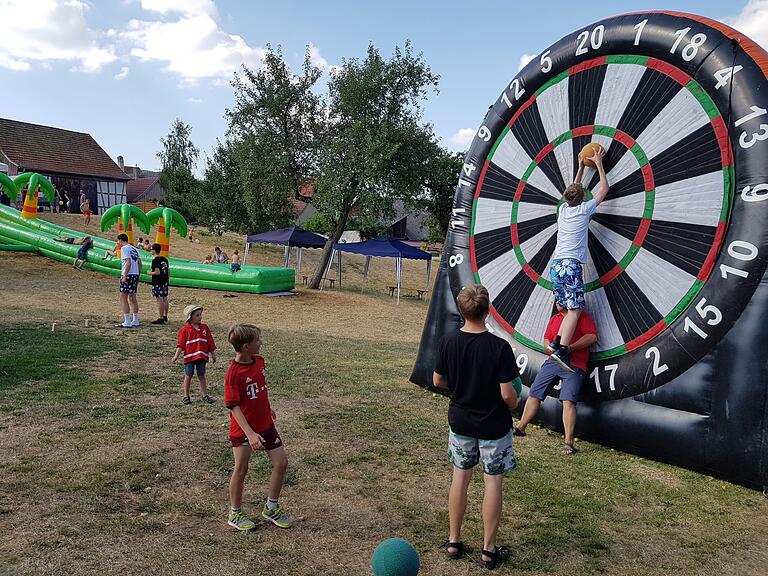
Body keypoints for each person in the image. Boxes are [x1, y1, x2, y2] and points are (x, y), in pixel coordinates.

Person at [433, 284, 521, 570]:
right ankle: (488, 549)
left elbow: (438, 380)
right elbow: (508, 395)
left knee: (460, 477)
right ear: (488, 310)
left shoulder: (448, 342)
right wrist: (514, 403)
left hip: (460, 422)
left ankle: (454, 540)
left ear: (462, 310)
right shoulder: (500, 348)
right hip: (494, 426)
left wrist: (459, 387)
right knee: (492, 482)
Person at [224, 324, 293, 531]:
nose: (261, 343)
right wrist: (250, 434)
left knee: (281, 463)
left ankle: (271, 507)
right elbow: (234, 407)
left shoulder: (260, 362)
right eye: (257, 340)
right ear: (246, 347)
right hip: (244, 430)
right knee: (241, 469)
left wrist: (268, 409)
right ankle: (235, 513)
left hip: (265, 425)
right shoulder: (233, 373)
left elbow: (261, 389)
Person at [547, 148, 609, 372]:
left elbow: (572, 189)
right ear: (583, 198)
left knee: (564, 306)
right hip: (571, 265)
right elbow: (604, 189)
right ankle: (562, 350)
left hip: (556, 265)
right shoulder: (585, 210)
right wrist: (599, 164)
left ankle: (556, 343)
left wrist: (581, 167)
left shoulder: (563, 210)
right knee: (574, 310)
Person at [514, 300, 597, 455]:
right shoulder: (555, 319)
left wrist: (570, 348)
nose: (558, 301)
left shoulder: (582, 317)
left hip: (575, 363)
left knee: (568, 401)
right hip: (553, 361)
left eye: (561, 298)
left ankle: (568, 443)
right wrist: (550, 349)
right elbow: (547, 339)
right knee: (535, 393)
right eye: (556, 298)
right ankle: (521, 427)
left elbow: (592, 337)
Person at [172, 305, 216, 405]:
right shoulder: (184, 330)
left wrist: (213, 354)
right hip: (189, 357)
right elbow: (180, 345)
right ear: (190, 317)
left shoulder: (204, 328)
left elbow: (210, 342)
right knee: (188, 375)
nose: (200, 317)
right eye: (197, 315)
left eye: (200, 315)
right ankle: (186, 396)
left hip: (202, 356)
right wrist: (176, 356)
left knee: (202, 375)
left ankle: (205, 395)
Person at [115, 233, 142, 328]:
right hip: (135, 274)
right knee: (133, 297)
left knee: (123, 297)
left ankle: (127, 321)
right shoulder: (135, 249)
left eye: (118, 241)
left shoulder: (124, 248)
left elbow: (128, 262)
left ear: (121, 240)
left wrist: (124, 276)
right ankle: (135, 319)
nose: (118, 243)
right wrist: (138, 274)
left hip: (128, 274)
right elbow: (139, 263)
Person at [148, 243, 169, 324]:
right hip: (165, 281)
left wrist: (149, 273)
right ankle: (165, 315)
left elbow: (157, 272)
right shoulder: (164, 259)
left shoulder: (155, 261)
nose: (151, 251)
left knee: (159, 299)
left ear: (154, 250)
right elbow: (168, 272)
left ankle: (160, 318)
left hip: (158, 282)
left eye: (151, 249)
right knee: (165, 298)